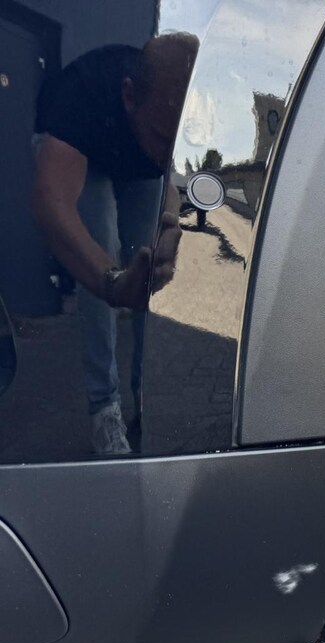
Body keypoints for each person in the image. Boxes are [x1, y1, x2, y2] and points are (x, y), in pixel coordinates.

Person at [31, 34, 195, 455]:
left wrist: (169, 227)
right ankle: (104, 408)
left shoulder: (168, 118)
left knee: (149, 266)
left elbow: (167, 179)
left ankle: (145, 394)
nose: (168, 153)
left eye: (175, 141)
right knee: (100, 251)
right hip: (83, 155)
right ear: (129, 97)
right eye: (161, 136)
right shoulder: (80, 95)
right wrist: (109, 282)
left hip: (135, 163)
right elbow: (52, 204)